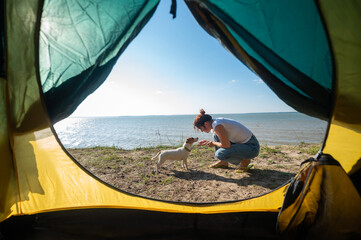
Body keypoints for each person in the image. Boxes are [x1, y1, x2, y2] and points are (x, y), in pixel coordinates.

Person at [193, 109, 260, 172]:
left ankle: (245, 161)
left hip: (252, 147)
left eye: (200, 128)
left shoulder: (217, 125)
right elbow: (223, 140)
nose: (202, 131)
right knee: (215, 135)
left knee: (220, 154)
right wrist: (210, 142)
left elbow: (226, 145)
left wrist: (213, 143)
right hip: (245, 145)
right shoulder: (215, 123)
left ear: (206, 124)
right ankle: (223, 162)